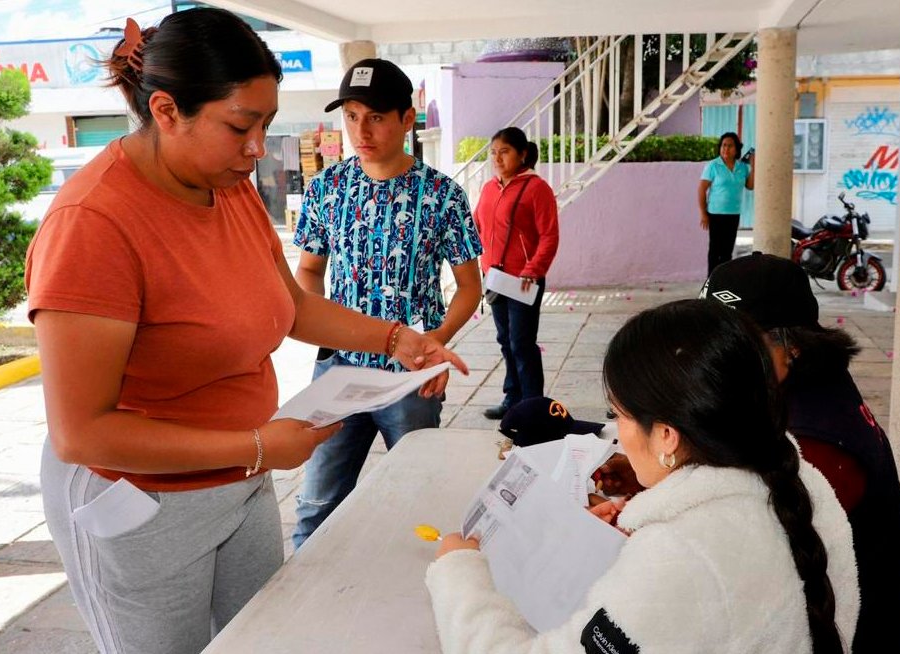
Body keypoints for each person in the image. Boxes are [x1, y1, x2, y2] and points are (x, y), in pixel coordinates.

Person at [24, 11, 465, 654]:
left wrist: (396, 339)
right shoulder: (92, 225)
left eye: (265, 122)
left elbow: (286, 304)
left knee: (261, 638)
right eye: (241, 125)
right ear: (168, 111)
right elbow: (81, 431)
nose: (259, 146)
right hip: (141, 505)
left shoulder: (224, 184)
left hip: (239, 479)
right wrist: (256, 445)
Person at [427, 299, 860, 653]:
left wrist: (460, 573)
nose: (617, 433)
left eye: (618, 415)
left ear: (668, 435)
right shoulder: (797, 474)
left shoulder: (682, 556)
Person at [290, 58, 482, 549]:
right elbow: (309, 270)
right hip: (338, 374)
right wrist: (321, 330)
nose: (361, 129)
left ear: (406, 118)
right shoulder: (327, 189)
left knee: (420, 499)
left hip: (412, 377)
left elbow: (469, 287)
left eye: (375, 116)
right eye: (352, 115)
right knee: (316, 503)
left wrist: (435, 341)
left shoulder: (443, 196)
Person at [702, 251, 900, 653]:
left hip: (848, 635)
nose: (716, 358)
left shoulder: (815, 443)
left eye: (736, 344)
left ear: (792, 346)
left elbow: (751, 567)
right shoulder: (802, 386)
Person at [475, 126, 560, 420]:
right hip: (495, 278)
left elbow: (549, 235)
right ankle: (512, 398)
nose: (497, 158)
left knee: (522, 343)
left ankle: (533, 405)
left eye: (505, 151)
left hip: (523, 279)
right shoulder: (489, 188)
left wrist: (533, 269)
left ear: (522, 154)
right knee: (505, 340)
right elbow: (478, 226)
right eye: (494, 152)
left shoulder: (536, 188)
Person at [698, 131, 754, 274]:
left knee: (727, 251)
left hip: (733, 214)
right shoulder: (713, 166)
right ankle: (711, 282)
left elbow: (750, 186)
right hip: (715, 214)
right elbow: (701, 189)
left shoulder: (742, 167)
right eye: (723, 145)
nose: (726, 149)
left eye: (730, 146)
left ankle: (724, 283)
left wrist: (753, 167)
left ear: (736, 149)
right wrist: (703, 213)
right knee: (715, 251)